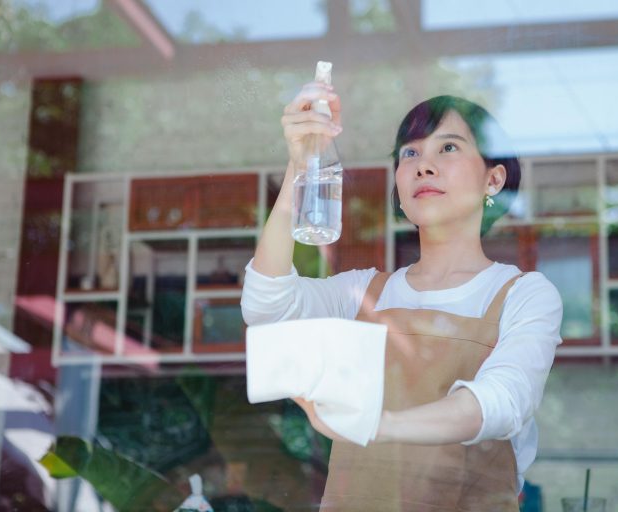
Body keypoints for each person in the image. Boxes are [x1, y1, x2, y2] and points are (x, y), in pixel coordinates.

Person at [241, 80, 563, 511]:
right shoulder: (362, 293)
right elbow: (266, 305)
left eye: (448, 148)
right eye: (410, 153)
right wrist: (301, 167)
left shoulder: (524, 295)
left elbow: (502, 401)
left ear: (494, 178)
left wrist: (376, 424)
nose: (423, 165)